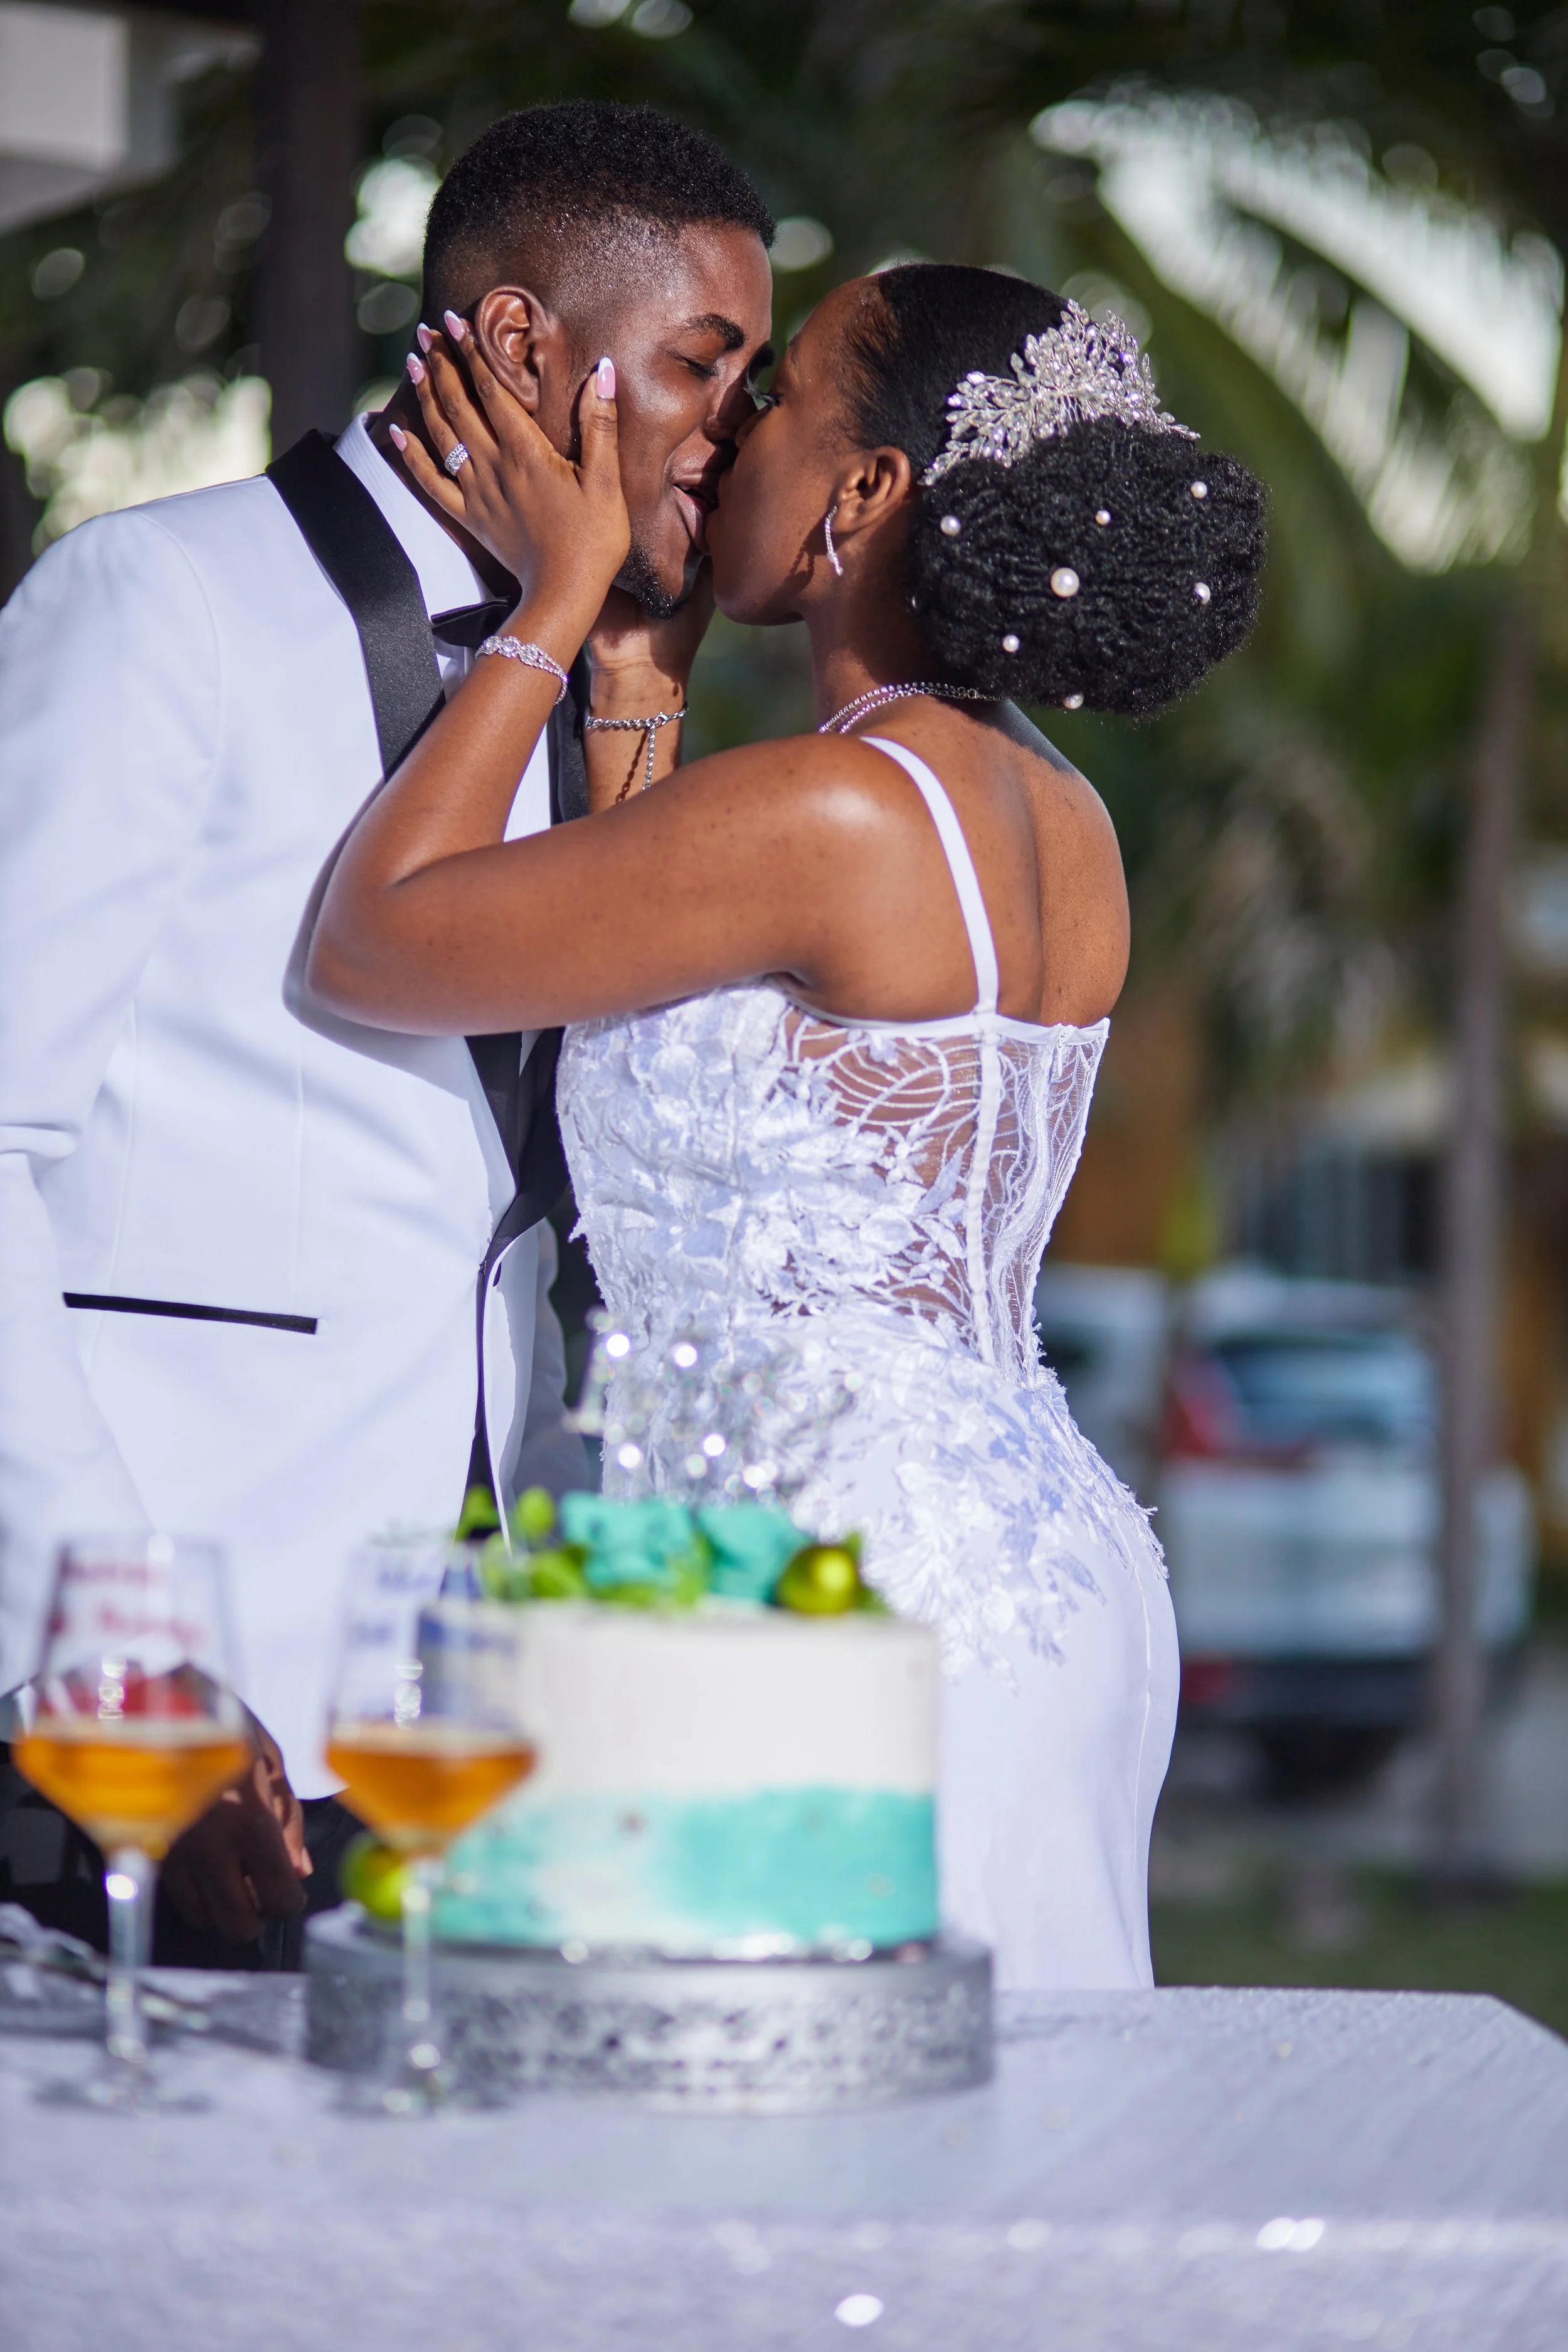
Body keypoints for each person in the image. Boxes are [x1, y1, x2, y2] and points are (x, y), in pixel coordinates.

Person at [307, 262, 1267, 1989]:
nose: (734, 426)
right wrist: (632, 673)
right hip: (1040, 1549)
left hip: (833, 1576)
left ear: (865, 492)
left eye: (787, 389)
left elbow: (380, 941)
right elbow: (626, 964)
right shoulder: (1050, 811)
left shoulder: (828, 805)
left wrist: (556, 593)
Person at [0, 100, 775, 1961]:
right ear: (524, 348)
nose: (732, 434)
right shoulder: (159, 600)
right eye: (700, 365)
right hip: (178, 1696)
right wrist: (124, 1661)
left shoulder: (587, 685)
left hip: (455, 1719)